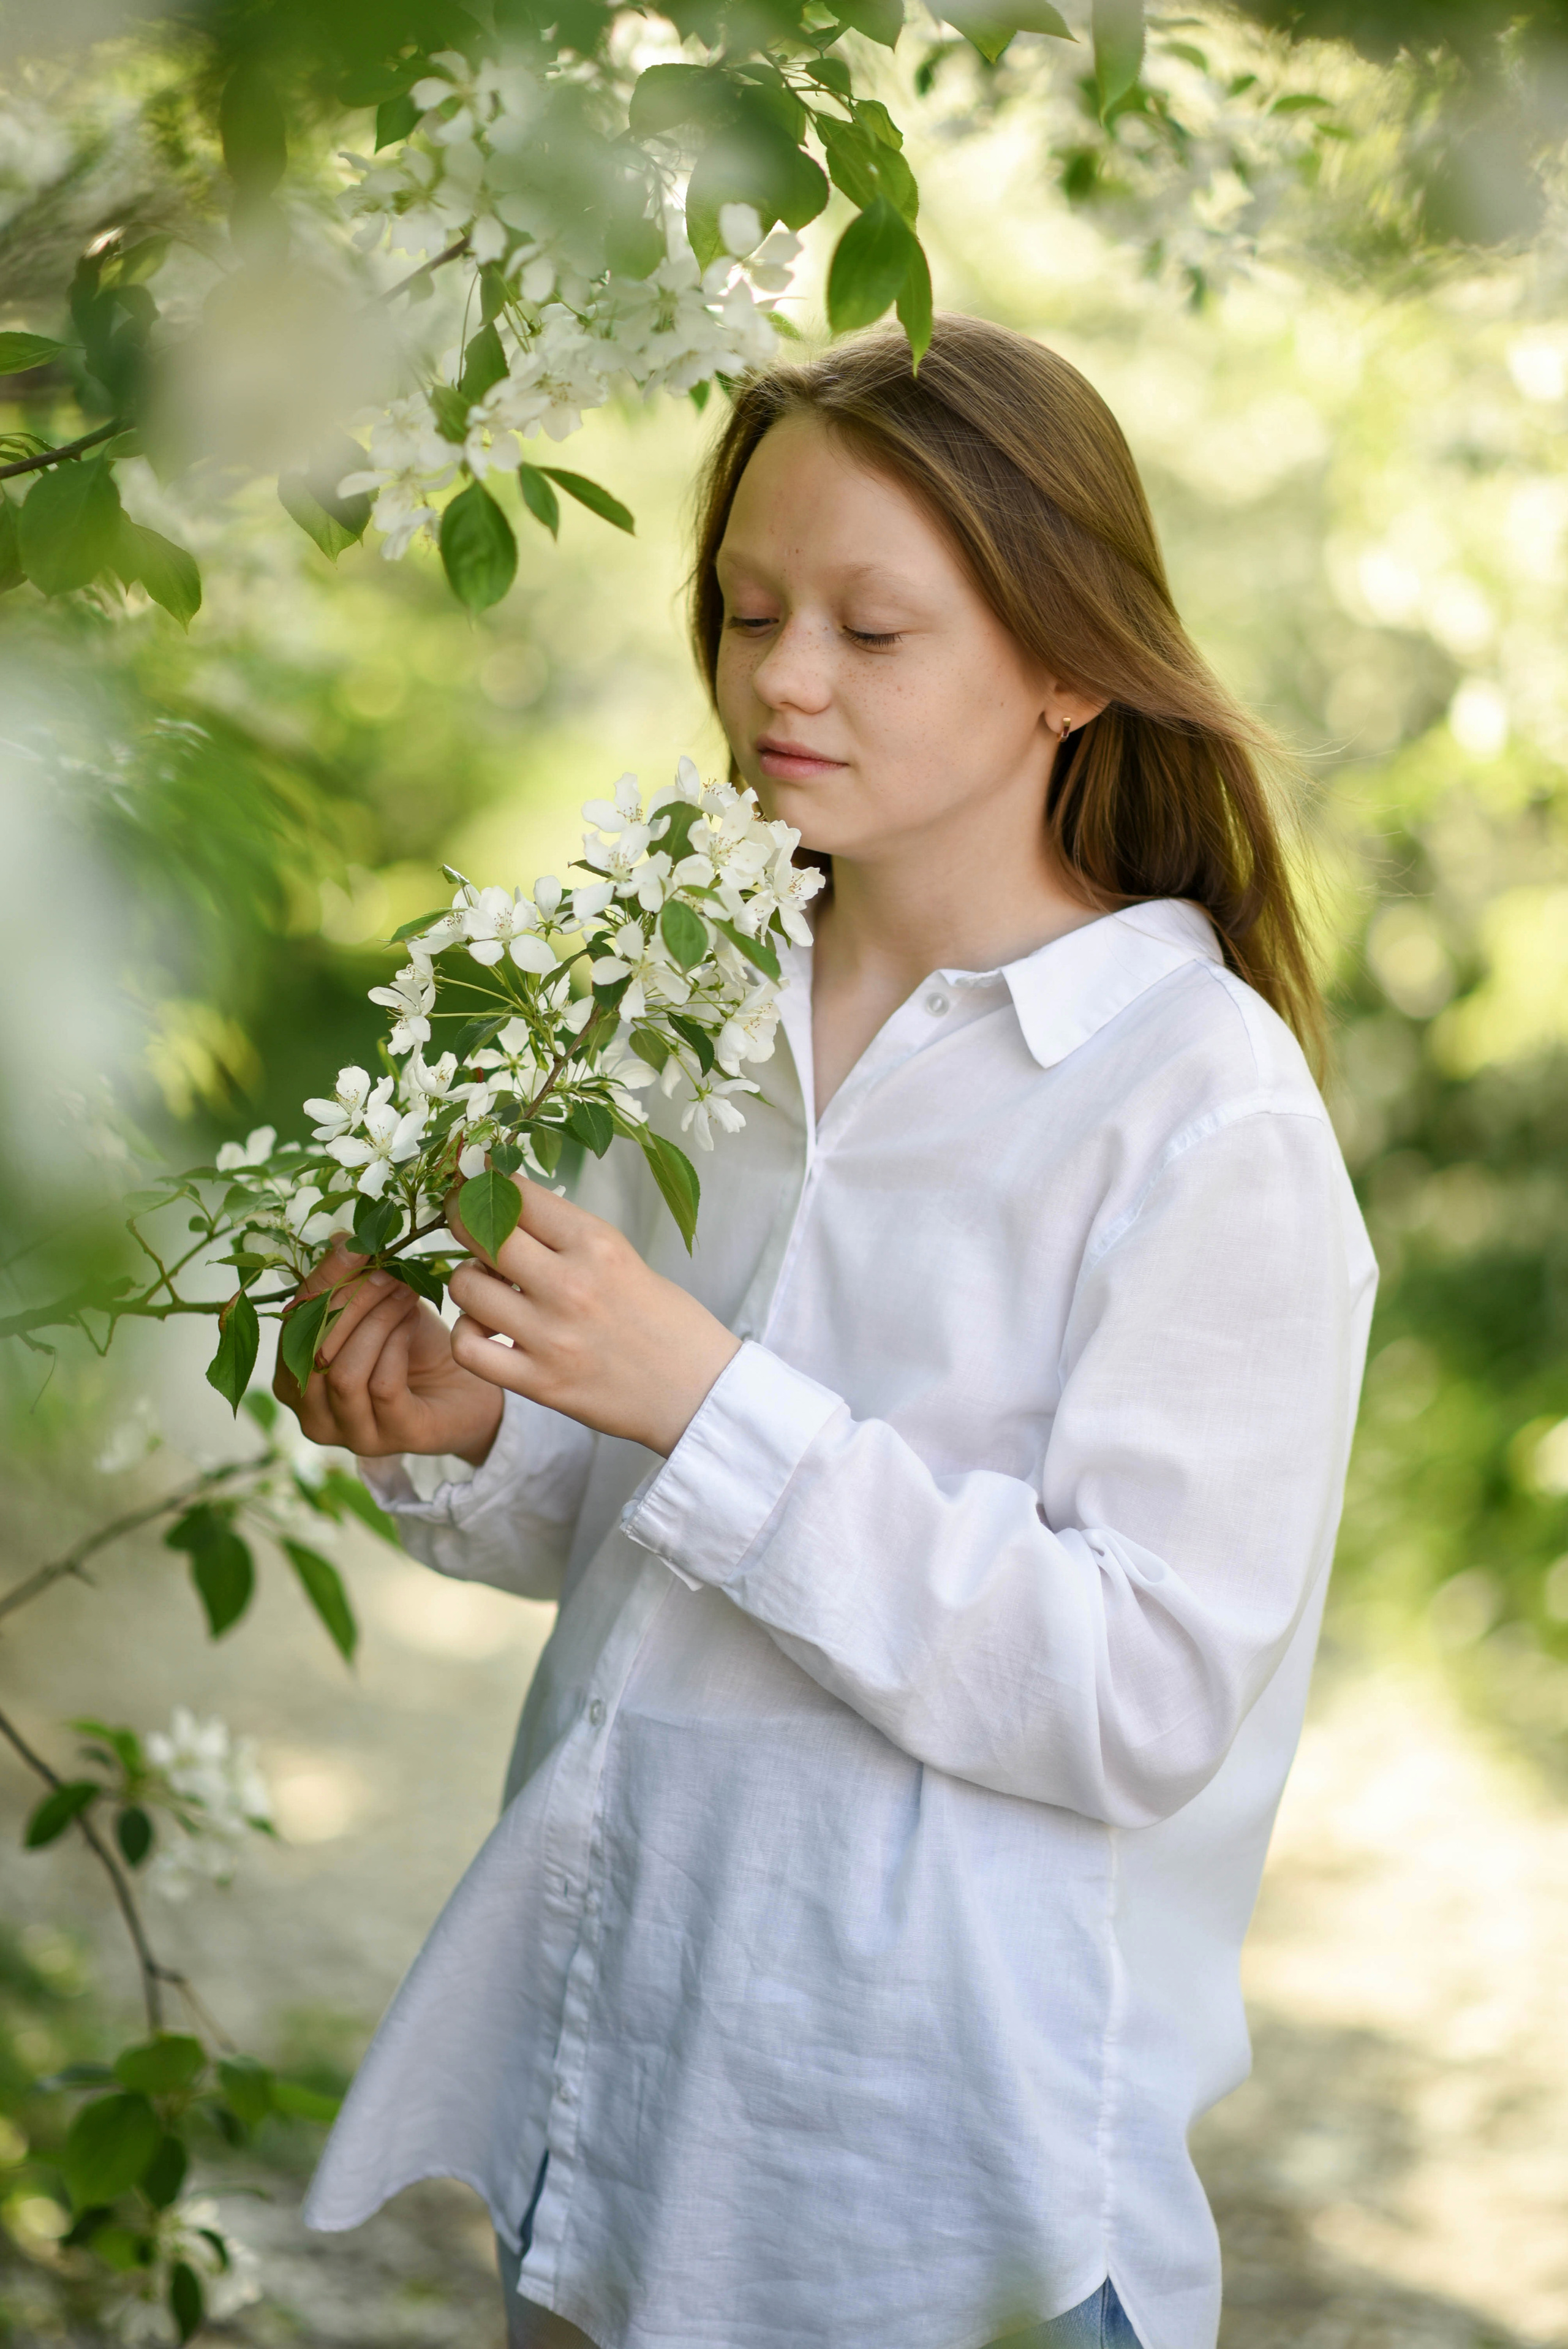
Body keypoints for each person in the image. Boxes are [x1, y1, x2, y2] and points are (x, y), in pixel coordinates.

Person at [281, 314, 1376, 2349]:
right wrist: (468, 1424)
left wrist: (710, 1405)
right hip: (620, 2091)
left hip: (937, 2178)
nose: (782, 678)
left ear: (1068, 664)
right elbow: (626, 1537)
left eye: (875, 632)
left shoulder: (1192, 1100)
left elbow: (1137, 1686)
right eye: (748, 609)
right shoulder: (681, 1013)